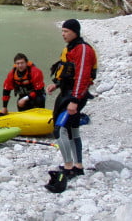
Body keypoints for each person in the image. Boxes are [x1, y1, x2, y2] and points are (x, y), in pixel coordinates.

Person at [47, 19, 97, 179]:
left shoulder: (82, 49)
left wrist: (74, 101)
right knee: (72, 129)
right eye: (62, 31)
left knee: (59, 129)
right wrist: (56, 84)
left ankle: (68, 167)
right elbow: (67, 70)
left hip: (74, 95)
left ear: (75, 32)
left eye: (66, 31)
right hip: (68, 92)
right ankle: (78, 166)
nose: (63, 34)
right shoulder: (72, 48)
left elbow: (82, 75)